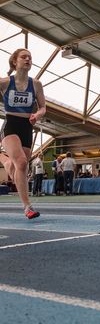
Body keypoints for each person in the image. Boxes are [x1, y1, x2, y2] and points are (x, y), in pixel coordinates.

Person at [0, 48, 46, 219]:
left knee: (18, 166)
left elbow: (43, 107)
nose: (28, 59)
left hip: (27, 126)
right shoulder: (4, 83)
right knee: (20, 162)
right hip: (11, 124)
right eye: (24, 57)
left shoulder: (36, 84)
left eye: (30, 57)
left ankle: (4, 160)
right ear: (15, 61)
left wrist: (37, 115)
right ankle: (27, 207)